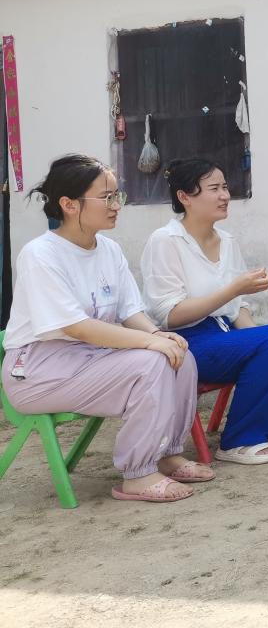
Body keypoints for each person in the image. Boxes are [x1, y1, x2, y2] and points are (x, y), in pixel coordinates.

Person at [2, 154, 211, 503]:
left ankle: (167, 453)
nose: (117, 205)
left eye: (118, 195)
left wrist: (157, 336)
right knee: (150, 364)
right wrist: (149, 344)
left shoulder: (109, 250)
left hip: (88, 358)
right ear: (69, 204)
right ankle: (138, 474)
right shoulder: (41, 254)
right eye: (107, 197)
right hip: (37, 371)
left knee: (179, 356)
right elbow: (77, 327)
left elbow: (130, 311)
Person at [141, 158, 268, 466]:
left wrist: (257, 336)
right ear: (185, 197)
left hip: (224, 333)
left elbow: (238, 308)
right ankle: (240, 439)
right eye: (214, 188)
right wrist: (234, 290)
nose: (224, 195)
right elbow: (169, 315)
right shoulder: (166, 241)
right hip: (186, 341)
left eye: (225, 187)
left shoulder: (227, 241)